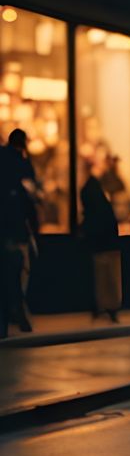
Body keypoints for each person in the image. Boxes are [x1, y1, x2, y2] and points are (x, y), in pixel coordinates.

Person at [1, 129, 39, 336]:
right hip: (17, 229)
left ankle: (8, 318)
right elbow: (31, 197)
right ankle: (18, 311)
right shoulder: (23, 165)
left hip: (5, 229)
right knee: (20, 272)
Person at [80, 160, 123, 322]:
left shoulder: (92, 202)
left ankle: (101, 307)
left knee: (101, 278)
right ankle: (111, 307)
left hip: (100, 244)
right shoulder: (102, 201)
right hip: (108, 244)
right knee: (110, 278)